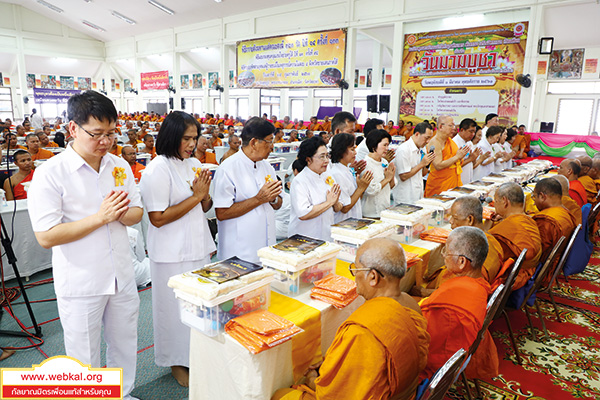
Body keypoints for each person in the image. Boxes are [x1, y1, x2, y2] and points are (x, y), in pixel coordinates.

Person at [27, 90, 143, 400]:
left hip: (120, 274)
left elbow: (137, 212)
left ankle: (122, 393)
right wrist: (102, 217)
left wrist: (120, 214)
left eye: (111, 132)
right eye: (96, 134)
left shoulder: (118, 165)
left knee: (124, 342)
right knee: (83, 354)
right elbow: (46, 236)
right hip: (82, 279)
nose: (105, 141)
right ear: (73, 129)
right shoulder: (50, 174)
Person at [272, 238, 430, 400]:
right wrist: (335, 364)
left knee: (281, 395)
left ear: (373, 277)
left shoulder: (362, 331)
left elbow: (337, 394)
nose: (354, 275)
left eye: (356, 269)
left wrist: (313, 379)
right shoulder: (411, 304)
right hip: (407, 392)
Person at [139, 111, 214, 387]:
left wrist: (203, 195)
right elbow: (157, 218)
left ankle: (197, 356)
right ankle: (175, 362)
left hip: (197, 246)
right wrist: (196, 196)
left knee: (199, 307)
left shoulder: (194, 163)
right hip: (170, 253)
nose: (192, 144)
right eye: (186, 138)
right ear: (171, 137)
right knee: (173, 310)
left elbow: (206, 207)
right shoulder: (157, 169)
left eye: (195, 138)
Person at [420, 226, 499, 381]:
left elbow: (424, 340)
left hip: (434, 367)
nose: (443, 255)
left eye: (446, 252)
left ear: (462, 261)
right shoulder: (477, 285)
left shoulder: (452, 303)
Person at [214, 117, 282, 262]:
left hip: (266, 247)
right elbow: (221, 213)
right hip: (239, 251)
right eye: (269, 141)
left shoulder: (267, 167)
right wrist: (259, 199)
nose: (272, 147)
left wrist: (274, 198)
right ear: (253, 143)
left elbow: (277, 203)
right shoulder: (228, 168)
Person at [489, 182, 542, 290]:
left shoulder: (502, 231)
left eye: (496, 201)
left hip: (510, 280)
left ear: (505, 201)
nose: (494, 205)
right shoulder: (530, 220)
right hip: (528, 271)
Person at [289, 136, 341, 241]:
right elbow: (303, 214)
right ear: (308, 159)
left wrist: (335, 202)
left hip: (326, 233)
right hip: (304, 237)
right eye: (322, 157)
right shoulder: (300, 181)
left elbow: (338, 207)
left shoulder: (328, 176)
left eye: (327, 156)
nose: (326, 161)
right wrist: (329, 203)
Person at [329, 133, 373, 223]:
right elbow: (344, 208)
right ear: (341, 151)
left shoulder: (348, 169)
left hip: (353, 220)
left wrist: (361, 187)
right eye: (352, 149)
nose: (355, 153)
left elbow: (355, 198)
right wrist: (361, 188)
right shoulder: (337, 173)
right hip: (343, 222)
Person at [531, 178, 576, 264]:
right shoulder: (565, 213)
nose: (533, 203)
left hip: (540, 266)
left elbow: (535, 253)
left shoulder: (546, 221)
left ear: (542, 196)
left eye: (534, 197)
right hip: (556, 261)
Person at [424, 116, 467, 196]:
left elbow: (456, 162)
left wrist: (460, 157)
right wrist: (457, 157)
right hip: (440, 185)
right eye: (451, 125)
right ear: (441, 127)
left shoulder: (450, 142)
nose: (454, 128)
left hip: (453, 182)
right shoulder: (435, 142)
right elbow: (438, 165)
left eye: (454, 125)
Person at [393, 122, 435, 204]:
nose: (428, 141)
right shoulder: (404, 149)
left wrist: (428, 163)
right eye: (426, 138)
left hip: (417, 194)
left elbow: (423, 173)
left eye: (430, 138)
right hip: (405, 197)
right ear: (417, 134)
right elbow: (403, 176)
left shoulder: (422, 149)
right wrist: (422, 164)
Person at [361, 130, 395, 218]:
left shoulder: (384, 162)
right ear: (374, 145)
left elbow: (392, 185)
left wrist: (391, 176)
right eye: (384, 145)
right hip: (371, 213)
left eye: (388, 145)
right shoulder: (366, 164)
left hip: (385, 210)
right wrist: (387, 179)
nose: (387, 148)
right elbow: (371, 191)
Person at [452, 118, 483, 184]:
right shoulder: (454, 143)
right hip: (458, 180)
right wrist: (470, 159)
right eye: (471, 131)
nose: (473, 134)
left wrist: (474, 158)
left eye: (474, 132)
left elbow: (473, 164)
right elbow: (454, 166)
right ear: (462, 130)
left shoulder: (469, 143)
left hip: (468, 179)